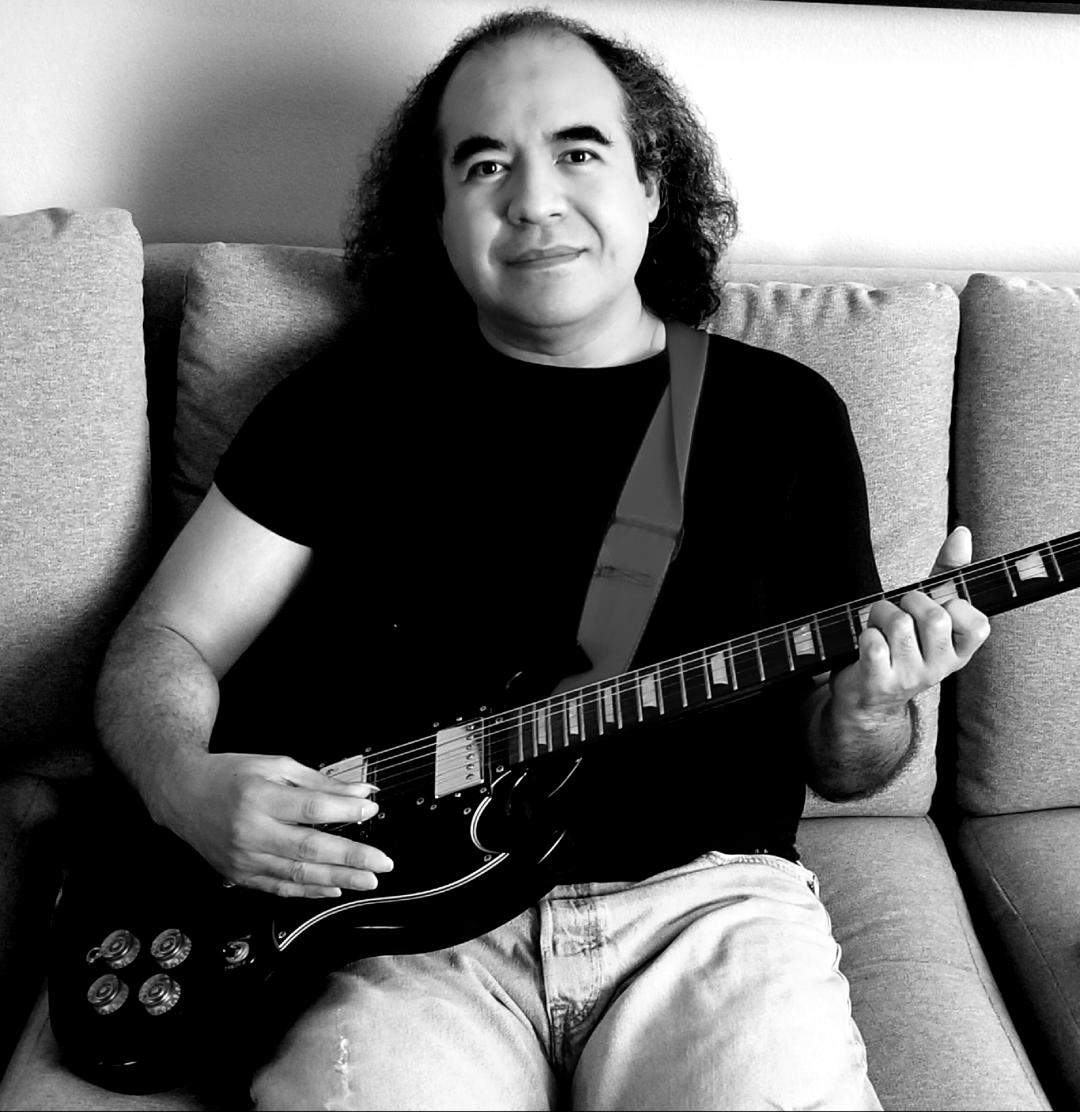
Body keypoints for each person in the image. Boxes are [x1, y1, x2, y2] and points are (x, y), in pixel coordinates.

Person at [94, 8, 990, 1110]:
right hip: (403, 933)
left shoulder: (783, 419)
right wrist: (184, 780)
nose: (534, 198)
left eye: (578, 150)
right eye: (484, 164)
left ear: (651, 185)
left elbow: (846, 760)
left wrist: (871, 708)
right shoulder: (347, 402)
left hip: (708, 912)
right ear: (440, 211)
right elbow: (163, 640)